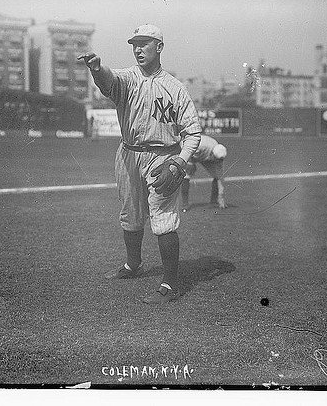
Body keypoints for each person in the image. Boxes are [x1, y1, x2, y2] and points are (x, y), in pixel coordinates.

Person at [77, 24, 202, 304]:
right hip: (128, 153)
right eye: (134, 44)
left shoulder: (175, 88)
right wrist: (97, 69)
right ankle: (134, 265)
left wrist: (180, 162)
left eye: (144, 43)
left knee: (162, 218)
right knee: (130, 213)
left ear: (159, 47)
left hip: (162, 156)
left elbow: (193, 133)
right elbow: (110, 81)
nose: (137, 49)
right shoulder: (128, 78)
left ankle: (170, 285)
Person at [180, 134, 228, 212]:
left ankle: (214, 201)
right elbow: (185, 147)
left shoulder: (219, 153)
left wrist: (221, 196)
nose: (218, 162)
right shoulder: (201, 146)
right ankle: (185, 204)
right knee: (186, 175)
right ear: (213, 154)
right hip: (191, 153)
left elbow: (220, 176)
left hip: (206, 157)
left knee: (216, 176)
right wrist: (190, 163)